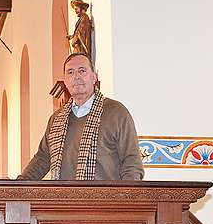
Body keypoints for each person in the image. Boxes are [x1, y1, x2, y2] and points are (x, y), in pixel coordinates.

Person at [19, 53, 144, 181]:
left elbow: (131, 161)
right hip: (63, 199)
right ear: (65, 81)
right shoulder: (56, 119)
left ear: (94, 77)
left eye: (82, 71)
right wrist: (18, 186)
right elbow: (43, 158)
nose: (76, 76)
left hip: (106, 200)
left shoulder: (116, 113)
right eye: (70, 72)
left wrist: (127, 198)